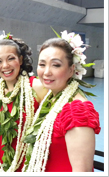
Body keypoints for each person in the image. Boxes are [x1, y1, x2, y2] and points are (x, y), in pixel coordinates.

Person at [22, 30, 101, 172]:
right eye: (42, 64)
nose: (46, 72)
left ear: (72, 70)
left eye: (56, 65)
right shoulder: (51, 98)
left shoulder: (77, 111)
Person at [0, 31, 47, 172]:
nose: (5, 66)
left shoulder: (36, 86)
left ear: (20, 60)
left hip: (29, 158)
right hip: (2, 156)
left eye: (10, 58)